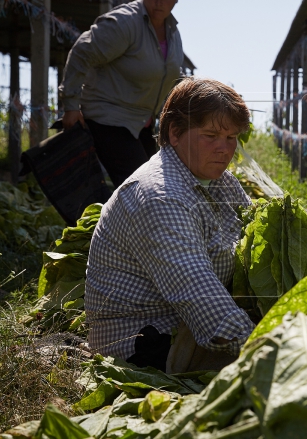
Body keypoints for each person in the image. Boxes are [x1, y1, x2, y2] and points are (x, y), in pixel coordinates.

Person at [84, 77, 255, 372]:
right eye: (211, 135)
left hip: (187, 326)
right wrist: (275, 346)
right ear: (175, 133)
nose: (224, 149)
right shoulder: (160, 196)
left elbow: (254, 239)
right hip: (146, 346)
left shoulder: (220, 182)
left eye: (231, 138)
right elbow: (205, 306)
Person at [58, 0, 184, 188]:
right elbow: (81, 52)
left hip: (141, 122)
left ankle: (116, 220)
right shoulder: (125, 23)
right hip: (109, 117)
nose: (158, 2)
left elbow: (169, 74)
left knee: (156, 183)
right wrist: (70, 106)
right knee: (141, 188)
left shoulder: (173, 32)